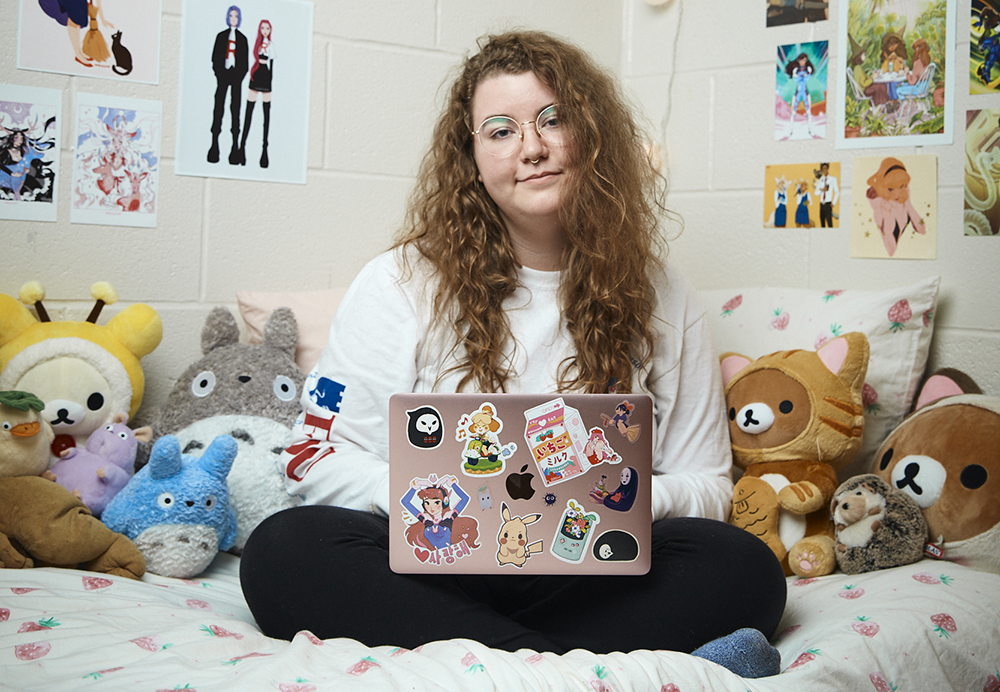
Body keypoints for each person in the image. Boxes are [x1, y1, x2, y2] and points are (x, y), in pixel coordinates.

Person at [240, 31, 786, 678]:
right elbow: (314, 461)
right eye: (500, 131)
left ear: (593, 134)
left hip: (590, 571)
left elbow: (708, 487)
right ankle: (558, 665)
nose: (532, 147)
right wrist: (451, 496)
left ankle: (496, 660)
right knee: (281, 551)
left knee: (747, 570)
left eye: (553, 119)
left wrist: (622, 500)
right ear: (470, 158)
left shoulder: (664, 295)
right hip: (439, 564)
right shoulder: (399, 282)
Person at [208, 5, 249, 165]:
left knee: (235, 109)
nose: (233, 19)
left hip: (236, 77)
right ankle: (214, 145)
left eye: (236, 17)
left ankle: (235, 147)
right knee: (219, 108)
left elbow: (244, 63)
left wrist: (237, 76)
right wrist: (220, 73)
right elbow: (215, 58)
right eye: (231, 16)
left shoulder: (243, 39)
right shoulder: (221, 37)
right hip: (223, 76)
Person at [866, 156, 926, 257]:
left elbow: (922, 229)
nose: (897, 193)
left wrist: (908, 204)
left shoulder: (904, 202)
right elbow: (889, 248)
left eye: (901, 186)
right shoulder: (882, 208)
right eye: (891, 189)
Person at [237, 19, 274, 168]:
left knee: (266, 114)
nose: (265, 30)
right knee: (249, 111)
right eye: (263, 28)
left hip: (266, 76)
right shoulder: (257, 44)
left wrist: (271, 80)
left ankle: (264, 150)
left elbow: (273, 63)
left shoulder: (271, 46)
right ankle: (242, 147)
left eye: (267, 28)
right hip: (257, 73)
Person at [814, 162, 838, 228]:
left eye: (825, 168)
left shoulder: (833, 179)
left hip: (828, 204)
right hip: (822, 204)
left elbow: (837, 192)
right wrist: (822, 190)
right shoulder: (820, 180)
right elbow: (816, 193)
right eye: (823, 169)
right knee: (822, 224)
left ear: (828, 168)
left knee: (829, 223)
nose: (824, 170)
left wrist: (833, 203)